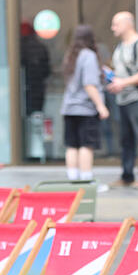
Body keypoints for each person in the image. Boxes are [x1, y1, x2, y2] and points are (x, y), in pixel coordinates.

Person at [107, 11, 138, 189]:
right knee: (126, 139)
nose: (113, 28)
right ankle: (127, 175)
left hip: (136, 98)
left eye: (115, 24)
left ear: (128, 24)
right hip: (122, 99)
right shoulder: (120, 47)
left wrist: (124, 82)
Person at [59, 24, 109, 182]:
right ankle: (86, 181)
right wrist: (101, 106)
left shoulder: (70, 55)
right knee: (86, 146)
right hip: (85, 109)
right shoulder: (88, 55)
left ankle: (73, 179)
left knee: (72, 145)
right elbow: (89, 84)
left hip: (69, 108)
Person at [20, 22, 51, 115]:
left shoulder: (18, 48)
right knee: (36, 117)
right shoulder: (41, 47)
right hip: (38, 89)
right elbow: (47, 71)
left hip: (23, 89)